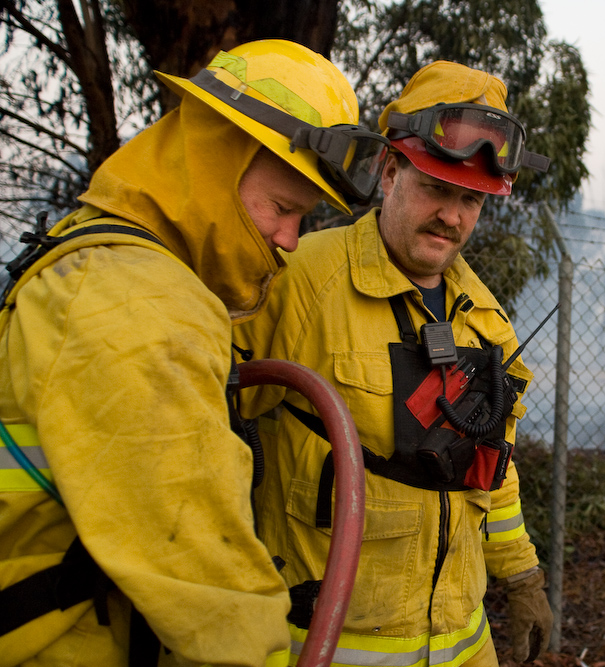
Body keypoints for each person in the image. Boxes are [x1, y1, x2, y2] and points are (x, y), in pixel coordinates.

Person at [0, 39, 388, 666]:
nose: (290, 240)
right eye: (284, 209)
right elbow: (207, 580)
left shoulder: (95, 254)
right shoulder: (141, 307)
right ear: (215, 162)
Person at [233, 61, 554, 666]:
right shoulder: (300, 283)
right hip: (329, 648)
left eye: (471, 200)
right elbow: (202, 437)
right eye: (436, 188)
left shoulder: (487, 322)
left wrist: (522, 578)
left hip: (463, 647)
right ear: (389, 171)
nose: (453, 217)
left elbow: (494, 469)